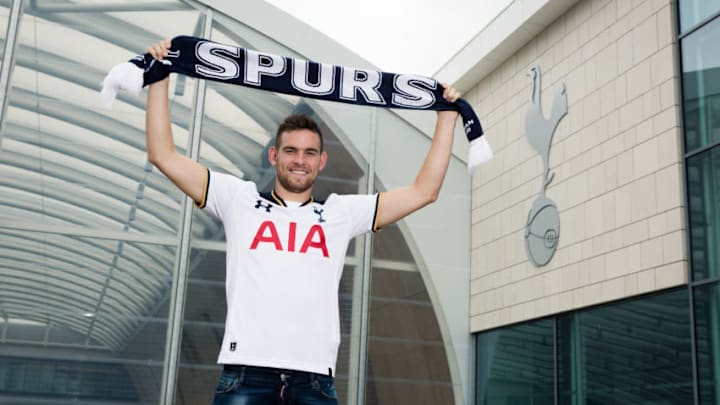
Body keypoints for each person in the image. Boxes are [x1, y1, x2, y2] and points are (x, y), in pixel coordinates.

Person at [145, 39, 462, 405]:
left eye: (310, 153)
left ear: (322, 161)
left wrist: (446, 118)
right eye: (291, 151)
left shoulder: (340, 214)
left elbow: (424, 191)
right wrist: (159, 77)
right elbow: (163, 155)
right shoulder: (238, 200)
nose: (300, 160)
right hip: (246, 374)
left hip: (314, 380)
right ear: (274, 155)